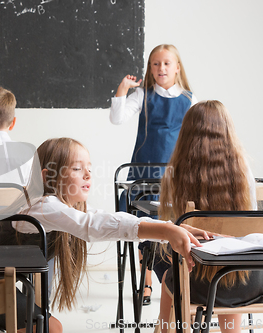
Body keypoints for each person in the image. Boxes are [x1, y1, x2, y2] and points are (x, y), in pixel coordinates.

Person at [0, 137, 212, 333]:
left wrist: (171, 225)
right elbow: (92, 225)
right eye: (77, 168)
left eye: (89, 168)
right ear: (48, 178)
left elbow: (102, 217)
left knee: (50, 326)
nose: (88, 174)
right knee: (52, 327)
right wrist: (166, 230)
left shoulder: (58, 210)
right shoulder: (42, 206)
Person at [157, 101, 263, 333]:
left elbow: (173, 231)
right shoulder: (244, 173)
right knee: (228, 273)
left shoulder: (175, 174)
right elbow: (248, 223)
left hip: (195, 282)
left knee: (169, 279)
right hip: (247, 282)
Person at [109, 44, 198, 304]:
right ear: (150, 68)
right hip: (144, 174)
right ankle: (145, 282)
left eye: (167, 63)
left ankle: (173, 278)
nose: (161, 68)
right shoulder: (143, 95)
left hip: (176, 178)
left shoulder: (190, 98)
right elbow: (117, 119)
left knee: (173, 224)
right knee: (144, 225)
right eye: (156, 64)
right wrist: (123, 90)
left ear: (177, 67)